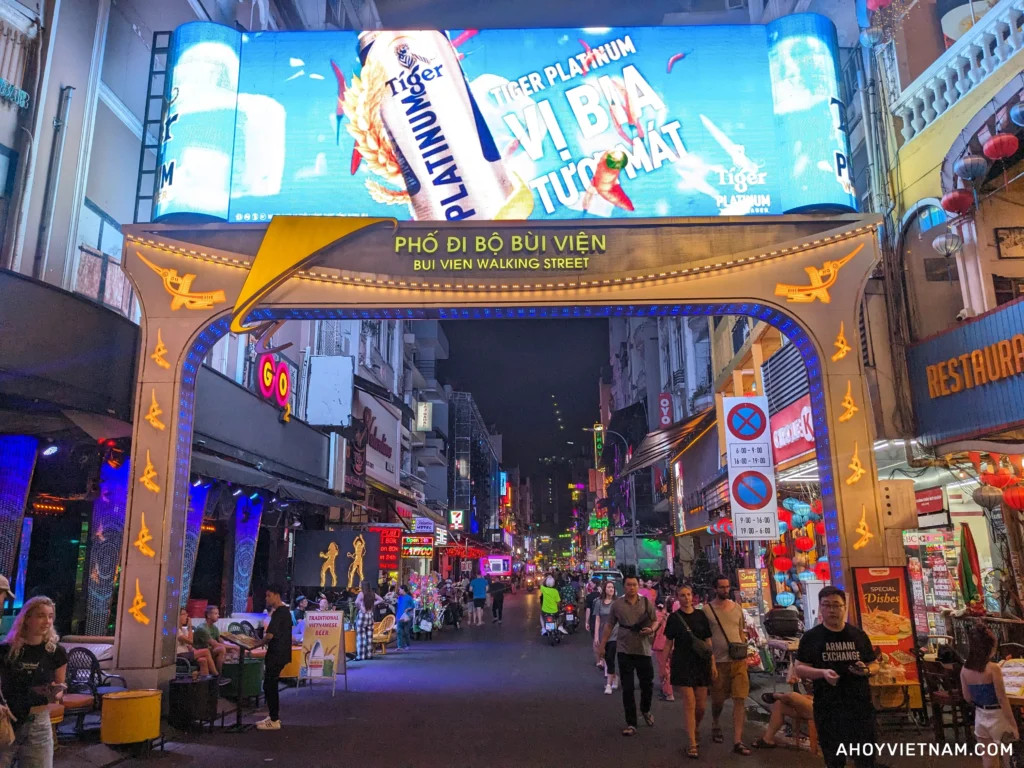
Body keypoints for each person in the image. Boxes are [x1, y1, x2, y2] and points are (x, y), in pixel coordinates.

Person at [794, 586, 879, 768]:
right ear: (820, 608)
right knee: (834, 759)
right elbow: (799, 668)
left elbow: (874, 664)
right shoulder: (811, 637)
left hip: (860, 706)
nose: (832, 610)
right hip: (828, 707)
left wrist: (867, 670)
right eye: (827, 605)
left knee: (865, 758)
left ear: (844, 607)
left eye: (836, 605)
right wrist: (822, 673)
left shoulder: (858, 635)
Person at [0, 596, 66, 768]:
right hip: (6, 719)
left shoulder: (56, 652)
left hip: (38, 721)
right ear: (26, 618)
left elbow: (60, 686)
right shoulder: (7, 650)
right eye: (41, 616)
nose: (47, 621)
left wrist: (56, 692)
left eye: (50, 616)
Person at [599, 574, 657, 737]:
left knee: (647, 683)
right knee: (628, 688)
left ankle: (645, 709)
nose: (631, 587)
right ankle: (631, 722)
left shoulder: (646, 603)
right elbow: (610, 625)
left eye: (634, 585)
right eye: (628, 585)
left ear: (638, 586)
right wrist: (602, 645)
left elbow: (655, 620)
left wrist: (652, 629)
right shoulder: (617, 605)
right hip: (624, 649)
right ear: (623, 587)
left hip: (643, 649)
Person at [664, 584, 714, 758]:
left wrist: (712, 664)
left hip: (701, 664)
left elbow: (708, 642)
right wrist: (664, 667)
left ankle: (695, 728)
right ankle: (692, 743)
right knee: (690, 703)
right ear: (677, 598)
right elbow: (668, 644)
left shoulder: (701, 616)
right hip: (682, 664)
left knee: (701, 706)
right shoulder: (674, 618)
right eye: (682, 595)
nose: (686, 598)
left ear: (693, 596)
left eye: (688, 594)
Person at [704, 576, 751, 755]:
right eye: (721, 587)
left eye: (727, 587)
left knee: (740, 698)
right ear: (715, 589)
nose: (725, 590)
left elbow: (741, 631)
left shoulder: (737, 608)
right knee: (717, 700)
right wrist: (711, 661)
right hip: (718, 662)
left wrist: (745, 651)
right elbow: (705, 637)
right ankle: (716, 722)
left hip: (738, 661)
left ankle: (738, 740)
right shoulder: (707, 610)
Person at [961, 623, 1018, 768]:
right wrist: (1013, 724)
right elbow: (1002, 698)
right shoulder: (993, 669)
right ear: (989, 648)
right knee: (1008, 757)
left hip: (980, 717)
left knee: (988, 758)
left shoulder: (965, 670)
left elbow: (967, 697)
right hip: (999, 717)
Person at [253, 585, 292, 731]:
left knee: (270, 685)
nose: (266, 598)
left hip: (277, 654)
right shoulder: (285, 612)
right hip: (280, 653)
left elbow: (269, 635)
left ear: (276, 595)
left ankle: (274, 719)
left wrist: (256, 644)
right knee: (270, 684)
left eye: (269, 595)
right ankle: (272, 716)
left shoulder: (279, 613)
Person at [753, 670, 815, 750]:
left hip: (823, 710)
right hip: (810, 706)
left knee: (793, 696)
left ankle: (776, 695)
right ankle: (767, 740)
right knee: (779, 704)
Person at [592, 580, 619, 692]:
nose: (611, 589)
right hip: (603, 634)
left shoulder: (617, 603)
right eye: (608, 587)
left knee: (610, 658)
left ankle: (608, 685)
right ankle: (615, 677)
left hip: (615, 634)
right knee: (605, 658)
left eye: (612, 587)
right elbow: (597, 619)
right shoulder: (599, 602)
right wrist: (596, 636)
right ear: (604, 589)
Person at [176, 608, 214, 676]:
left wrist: (196, 651)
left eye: (186, 614)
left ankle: (205, 684)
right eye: (184, 614)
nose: (187, 617)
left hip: (187, 654)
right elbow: (191, 641)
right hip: (180, 656)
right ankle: (216, 676)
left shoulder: (184, 630)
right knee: (206, 651)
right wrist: (190, 626)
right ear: (178, 616)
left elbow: (189, 645)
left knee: (203, 660)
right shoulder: (176, 630)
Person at [192, 605, 227, 675]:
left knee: (231, 650)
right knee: (221, 649)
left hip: (210, 650)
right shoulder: (202, 629)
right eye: (216, 614)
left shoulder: (214, 628)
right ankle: (219, 675)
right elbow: (215, 644)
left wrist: (234, 647)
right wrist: (237, 647)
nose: (218, 615)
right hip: (201, 652)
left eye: (218, 613)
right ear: (208, 615)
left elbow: (221, 641)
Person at [353, 580, 383, 660]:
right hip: (370, 615)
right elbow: (381, 600)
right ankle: (369, 654)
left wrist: (361, 608)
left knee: (361, 636)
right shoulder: (372, 594)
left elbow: (356, 602)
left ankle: (361, 656)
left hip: (363, 616)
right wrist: (373, 604)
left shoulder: (362, 593)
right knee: (369, 636)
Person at [651, 601, 674, 702]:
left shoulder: (658, 615)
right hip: (669, 643)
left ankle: (668, 693)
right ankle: (666, 690)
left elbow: (653, 629)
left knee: (664, 668)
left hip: (661, 644)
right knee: (667, 667)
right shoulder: (670, 616)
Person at [395, 585, 415, 651]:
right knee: (399, 631)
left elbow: (413, 606)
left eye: (400, 589)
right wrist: (397, 616)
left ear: (403, 590)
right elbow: (398, 607)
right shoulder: (399, 598)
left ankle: (407, 645)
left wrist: (408, 609)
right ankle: (399, 646)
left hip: (407, 617)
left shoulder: (409, 598)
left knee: (406, 632)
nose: (399, 591)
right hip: (399, 616)